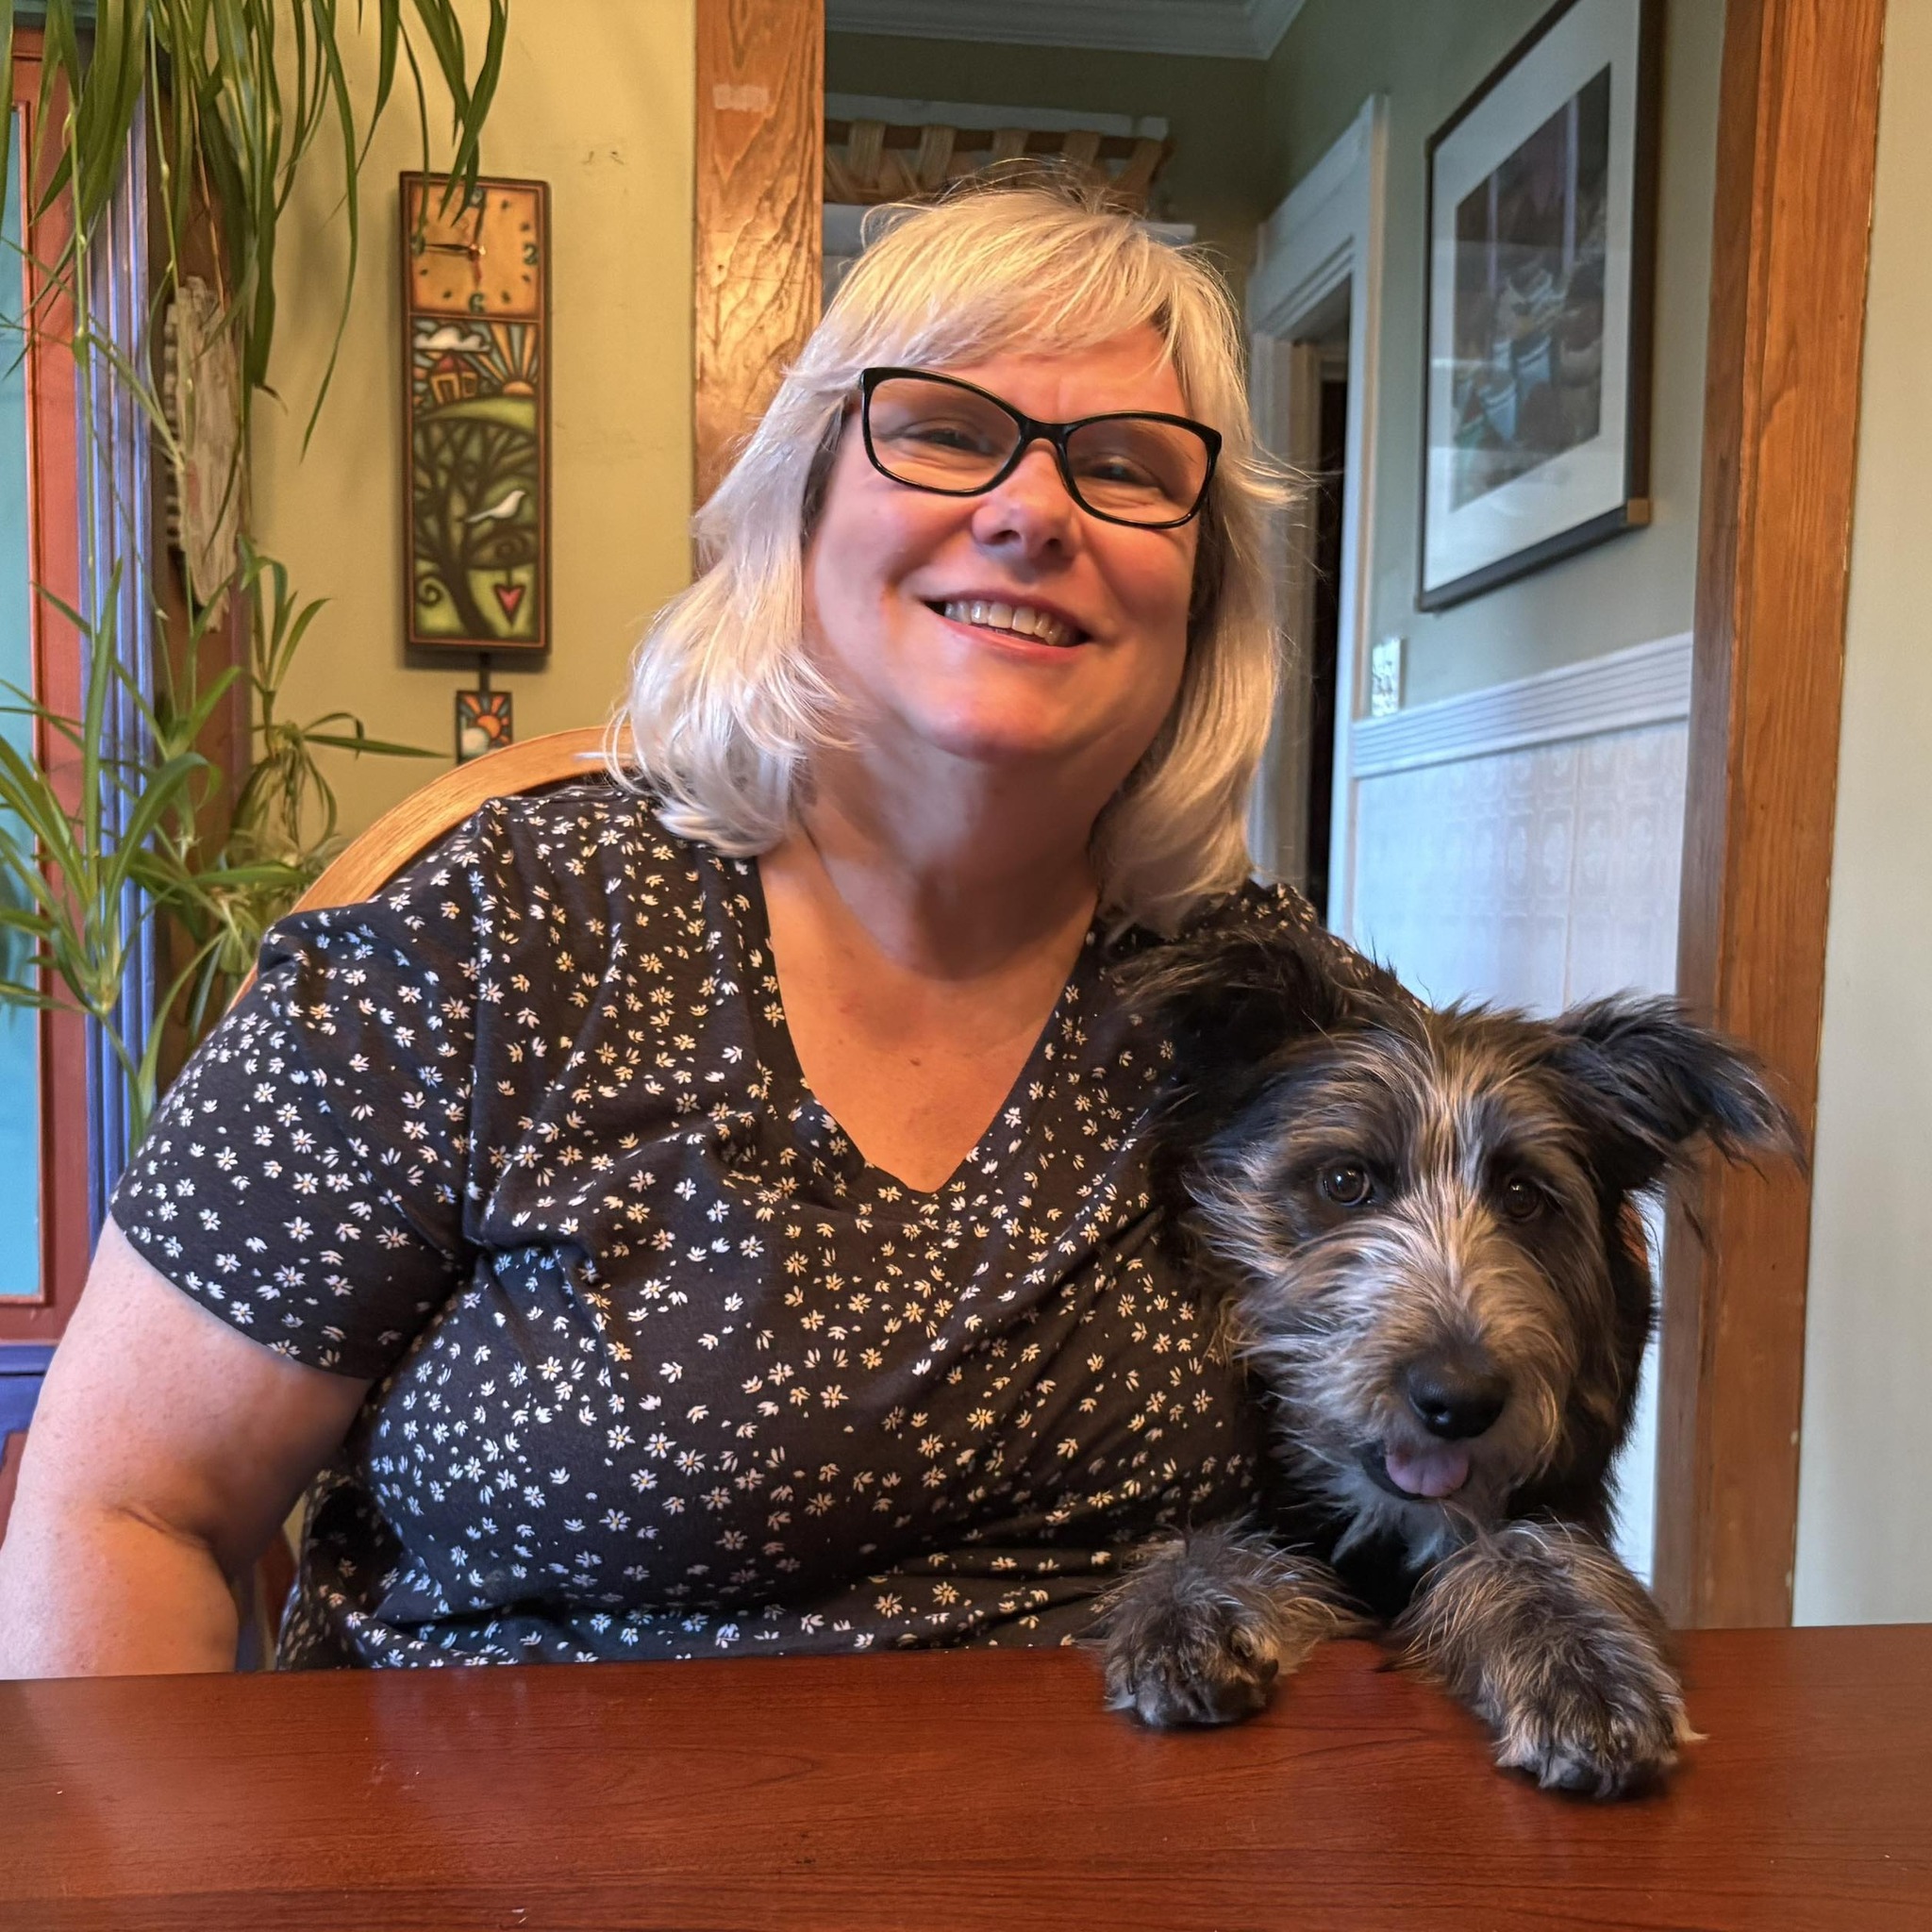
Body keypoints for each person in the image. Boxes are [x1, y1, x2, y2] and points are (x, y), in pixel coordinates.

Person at [0, 181, 1367, 1674]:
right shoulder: (497, 932)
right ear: (803, 507)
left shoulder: (1276, 1010)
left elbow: (1480, 1464)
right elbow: (130, 1512)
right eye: (946, 431)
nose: (1032, 509)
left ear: (1202, 598)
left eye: (1124, 468)